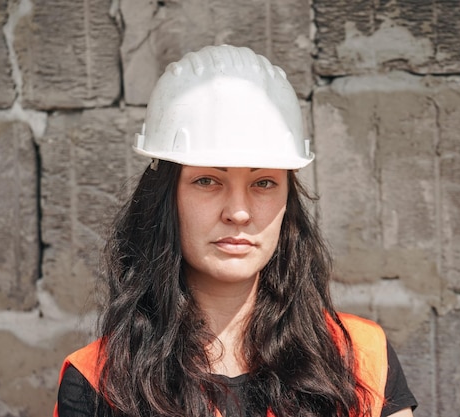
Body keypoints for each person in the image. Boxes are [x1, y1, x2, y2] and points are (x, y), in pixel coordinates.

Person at [54, 44, 417, 417]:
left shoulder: (360, 358)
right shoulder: (101, 383)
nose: (239, 212)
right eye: (208, 181)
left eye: (263, 183)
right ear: (165, 198)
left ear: (287, 202)